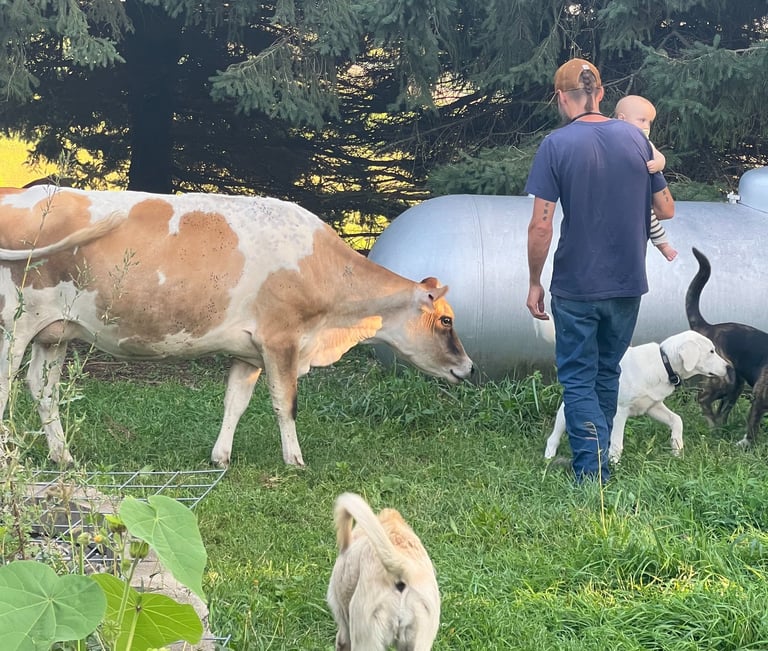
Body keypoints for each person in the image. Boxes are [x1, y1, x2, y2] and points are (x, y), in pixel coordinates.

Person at [525, 58, 675, 483]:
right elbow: (666, 208)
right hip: (628, 284)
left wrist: (535, 281)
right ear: (602, 94)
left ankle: (590, 473)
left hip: (576, 285)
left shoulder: (556, 145)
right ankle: (599, 461)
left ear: (561, 97)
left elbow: (541, 224)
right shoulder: (635, 138)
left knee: (578, 377)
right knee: (607, 372)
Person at [615, 94, 677, 261]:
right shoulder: (611, 137)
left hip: (636, 198)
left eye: (649, 122)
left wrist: (656, 165)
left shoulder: (644, 143)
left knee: (647, 216)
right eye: (642, 120)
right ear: (622, 119)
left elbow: (661, 158)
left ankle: (663, 244)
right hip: (617, 196)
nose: (646, 126)